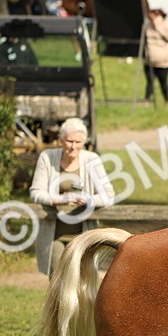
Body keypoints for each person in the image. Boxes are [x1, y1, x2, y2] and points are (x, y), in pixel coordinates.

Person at [29, 118, 115, 277]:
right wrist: (57, 199)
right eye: (69, 141)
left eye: (78, 142)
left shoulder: (92, 159)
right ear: (61, 140)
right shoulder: (47, 157)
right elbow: (35, 192)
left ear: (84, 142)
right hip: (54, 232)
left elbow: (108, 195)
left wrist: (89, 199)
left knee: (81, 282)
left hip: (83, 234)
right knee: (57, 280)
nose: (73, 146)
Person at [144, 8, 168, 105]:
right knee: (150, 82)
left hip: (163, 61)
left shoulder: (167, 25)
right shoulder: (147, 25)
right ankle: (147, 100)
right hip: (149, 60)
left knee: (163, 82)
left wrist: (158, 26)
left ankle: (167, 101)